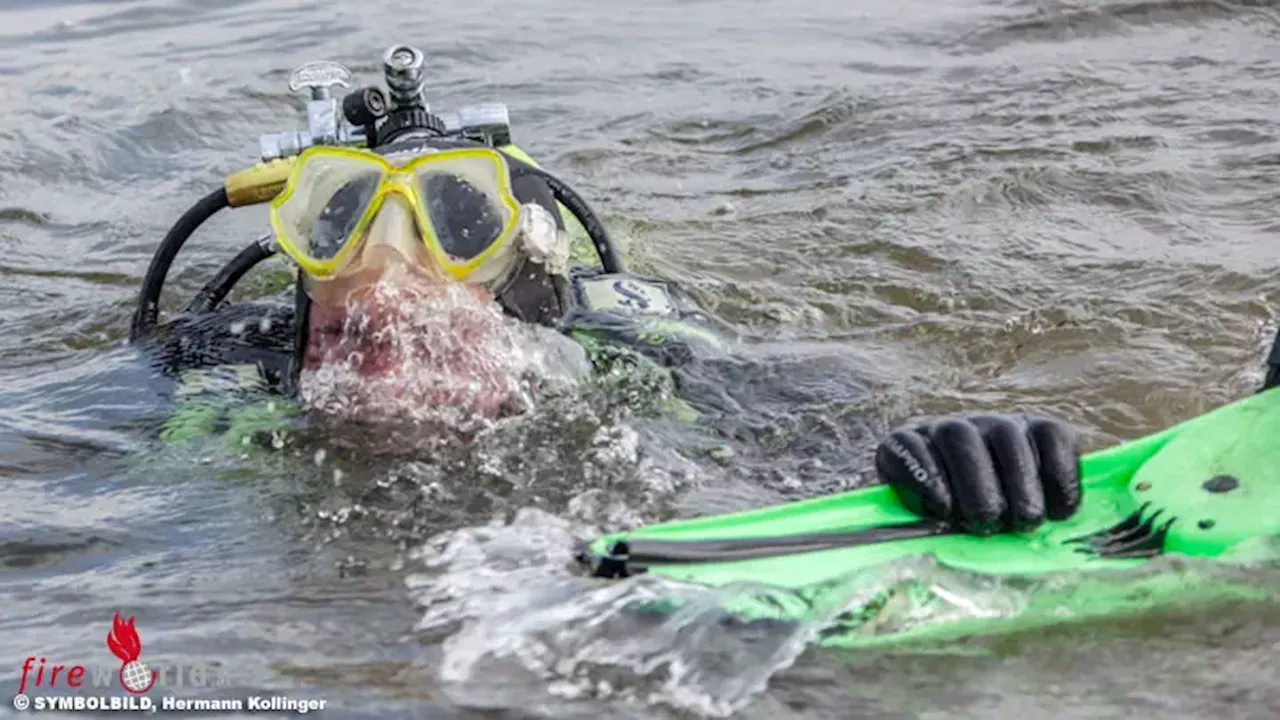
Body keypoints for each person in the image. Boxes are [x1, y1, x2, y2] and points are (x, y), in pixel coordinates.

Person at [145, 51, 1086, 538]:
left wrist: (937, 449)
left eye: (453, 225)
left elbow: (811, 426)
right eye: (338, 222)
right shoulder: (220, 364)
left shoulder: (631, 348)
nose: (387, 278)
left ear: (524, 291)